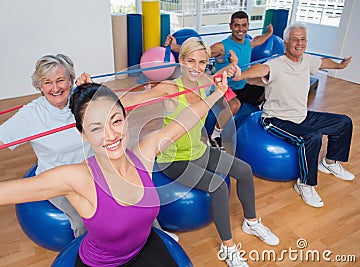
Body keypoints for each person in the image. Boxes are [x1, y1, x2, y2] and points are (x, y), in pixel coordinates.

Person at [0, 77, 231, 266]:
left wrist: (217, 94)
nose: (111, 135)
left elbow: (184, 121)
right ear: (84, 135)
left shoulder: (144, 154)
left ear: (125, 120)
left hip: (146, 247)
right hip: (103, 264)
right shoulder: (77, 178)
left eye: (116, 121)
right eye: (96, 128)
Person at [78, 37, 279, 267]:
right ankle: (228, 248)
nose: (196, 67)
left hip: (199, 150)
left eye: (202, 62)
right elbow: (133, 98)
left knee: (244, 170)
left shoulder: (204, 83)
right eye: (190, 61)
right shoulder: (170, 88)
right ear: (181, 61)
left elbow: (217, 78)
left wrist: (231, 69)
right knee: (218, 186)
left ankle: (251, 222)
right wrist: (94, 89)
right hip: (173, 158)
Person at [0, 54, 91, 237]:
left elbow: (119, 104)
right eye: (47, 82)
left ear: (71, 80)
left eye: (60, 80)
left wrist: (95, 91)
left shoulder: (84, 98)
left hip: (91, 170)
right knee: (85, 217)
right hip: (57, 180)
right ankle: (88, 256)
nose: (55, 88)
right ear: (39, 85)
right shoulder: (31, 114)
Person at [233, 22, 354, 208]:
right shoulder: (276, 64)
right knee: (313, 137)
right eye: (295, 39)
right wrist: (241, 75)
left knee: (343, 122)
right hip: (274, 119)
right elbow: (262, 69)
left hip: (300, 115)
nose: (300, 43)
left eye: (303, 39)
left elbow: (322, 62)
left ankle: (329, 162)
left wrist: (340, 66)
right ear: (286, 42)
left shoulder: (307, 60)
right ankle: (304, 184)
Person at [164, 11, 274, 150]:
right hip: (225, 86)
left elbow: (258, 40)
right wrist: (175, 47)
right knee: (235, 105)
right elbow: (200, 51)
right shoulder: (222, 46)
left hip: (241, 85)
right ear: (230, 26)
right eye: (237, 26)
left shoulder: (247, 42)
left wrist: (269, 34)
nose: (240, 29)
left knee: (266, 91)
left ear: (248, 26)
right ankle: (214, 136)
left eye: (244, 25)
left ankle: (264, 119)